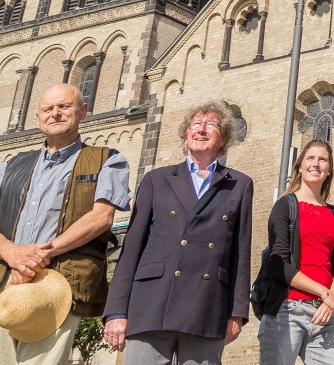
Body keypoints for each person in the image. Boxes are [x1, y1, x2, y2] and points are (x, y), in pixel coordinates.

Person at [0, 83, 132, 365]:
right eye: (48, 109)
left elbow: (101, 218)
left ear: (82, 112)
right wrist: (15, 255)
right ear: (38, 117)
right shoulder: (9, 166)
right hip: (3, 279)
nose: (55, 113)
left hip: (60, 279)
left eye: (64, 107)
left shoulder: (107, 159)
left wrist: (42, 255)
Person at [103, 100, 255, 363]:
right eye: (196, 124)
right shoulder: (157, 179)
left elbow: (241, 253)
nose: (202, 130)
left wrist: (236, 312)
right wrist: (116, 311)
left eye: (211, 125)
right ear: (186, 134)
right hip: (152, 302)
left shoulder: (239, 184)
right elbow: (132, 249)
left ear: (224, 138)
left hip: (207, 306)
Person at [258, 139, 334, 364]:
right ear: (300, 166)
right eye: (310, 158)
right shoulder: (285, 206)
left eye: (322, 159)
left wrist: (332, 303)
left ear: (329, 170)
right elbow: (278, 264)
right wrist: (324, 293)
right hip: (287, 310)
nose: (315, 164)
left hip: (324, 314)